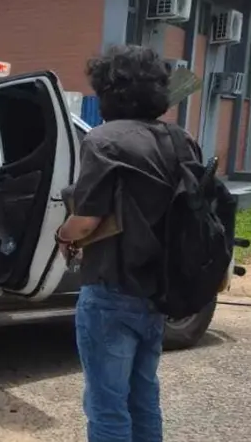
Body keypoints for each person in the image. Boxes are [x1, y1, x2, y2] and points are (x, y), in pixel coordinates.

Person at [56, 44, 194, 442]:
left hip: (111, 289)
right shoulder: (181, 140)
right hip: (158, 289)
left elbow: (86, 222)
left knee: (107, 406)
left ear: (109, 91)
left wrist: (62, 234)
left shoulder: (103, 141)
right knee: (144, 398)